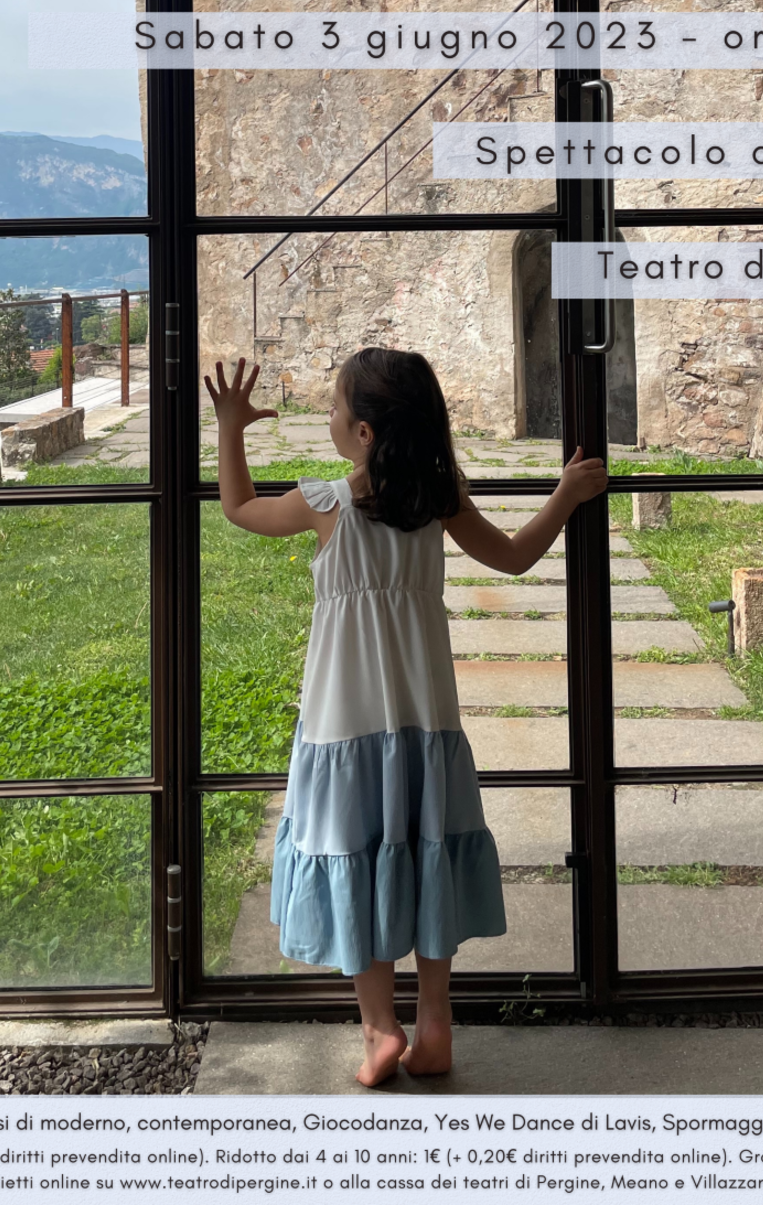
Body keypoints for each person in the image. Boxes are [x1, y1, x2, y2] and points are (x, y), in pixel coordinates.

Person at [204, 348, 608, 1087]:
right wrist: (565, 495)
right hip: (425, 724)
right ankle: (435, 1024)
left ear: (362, 434)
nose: (328, 416)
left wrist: (230, 426)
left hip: (342, 726)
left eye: (334, 407)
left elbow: (238, 507)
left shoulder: (324, 504)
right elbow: (514, 557)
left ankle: (379, 1030)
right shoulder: (438, 502)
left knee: (356, 855)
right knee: (426, 853)